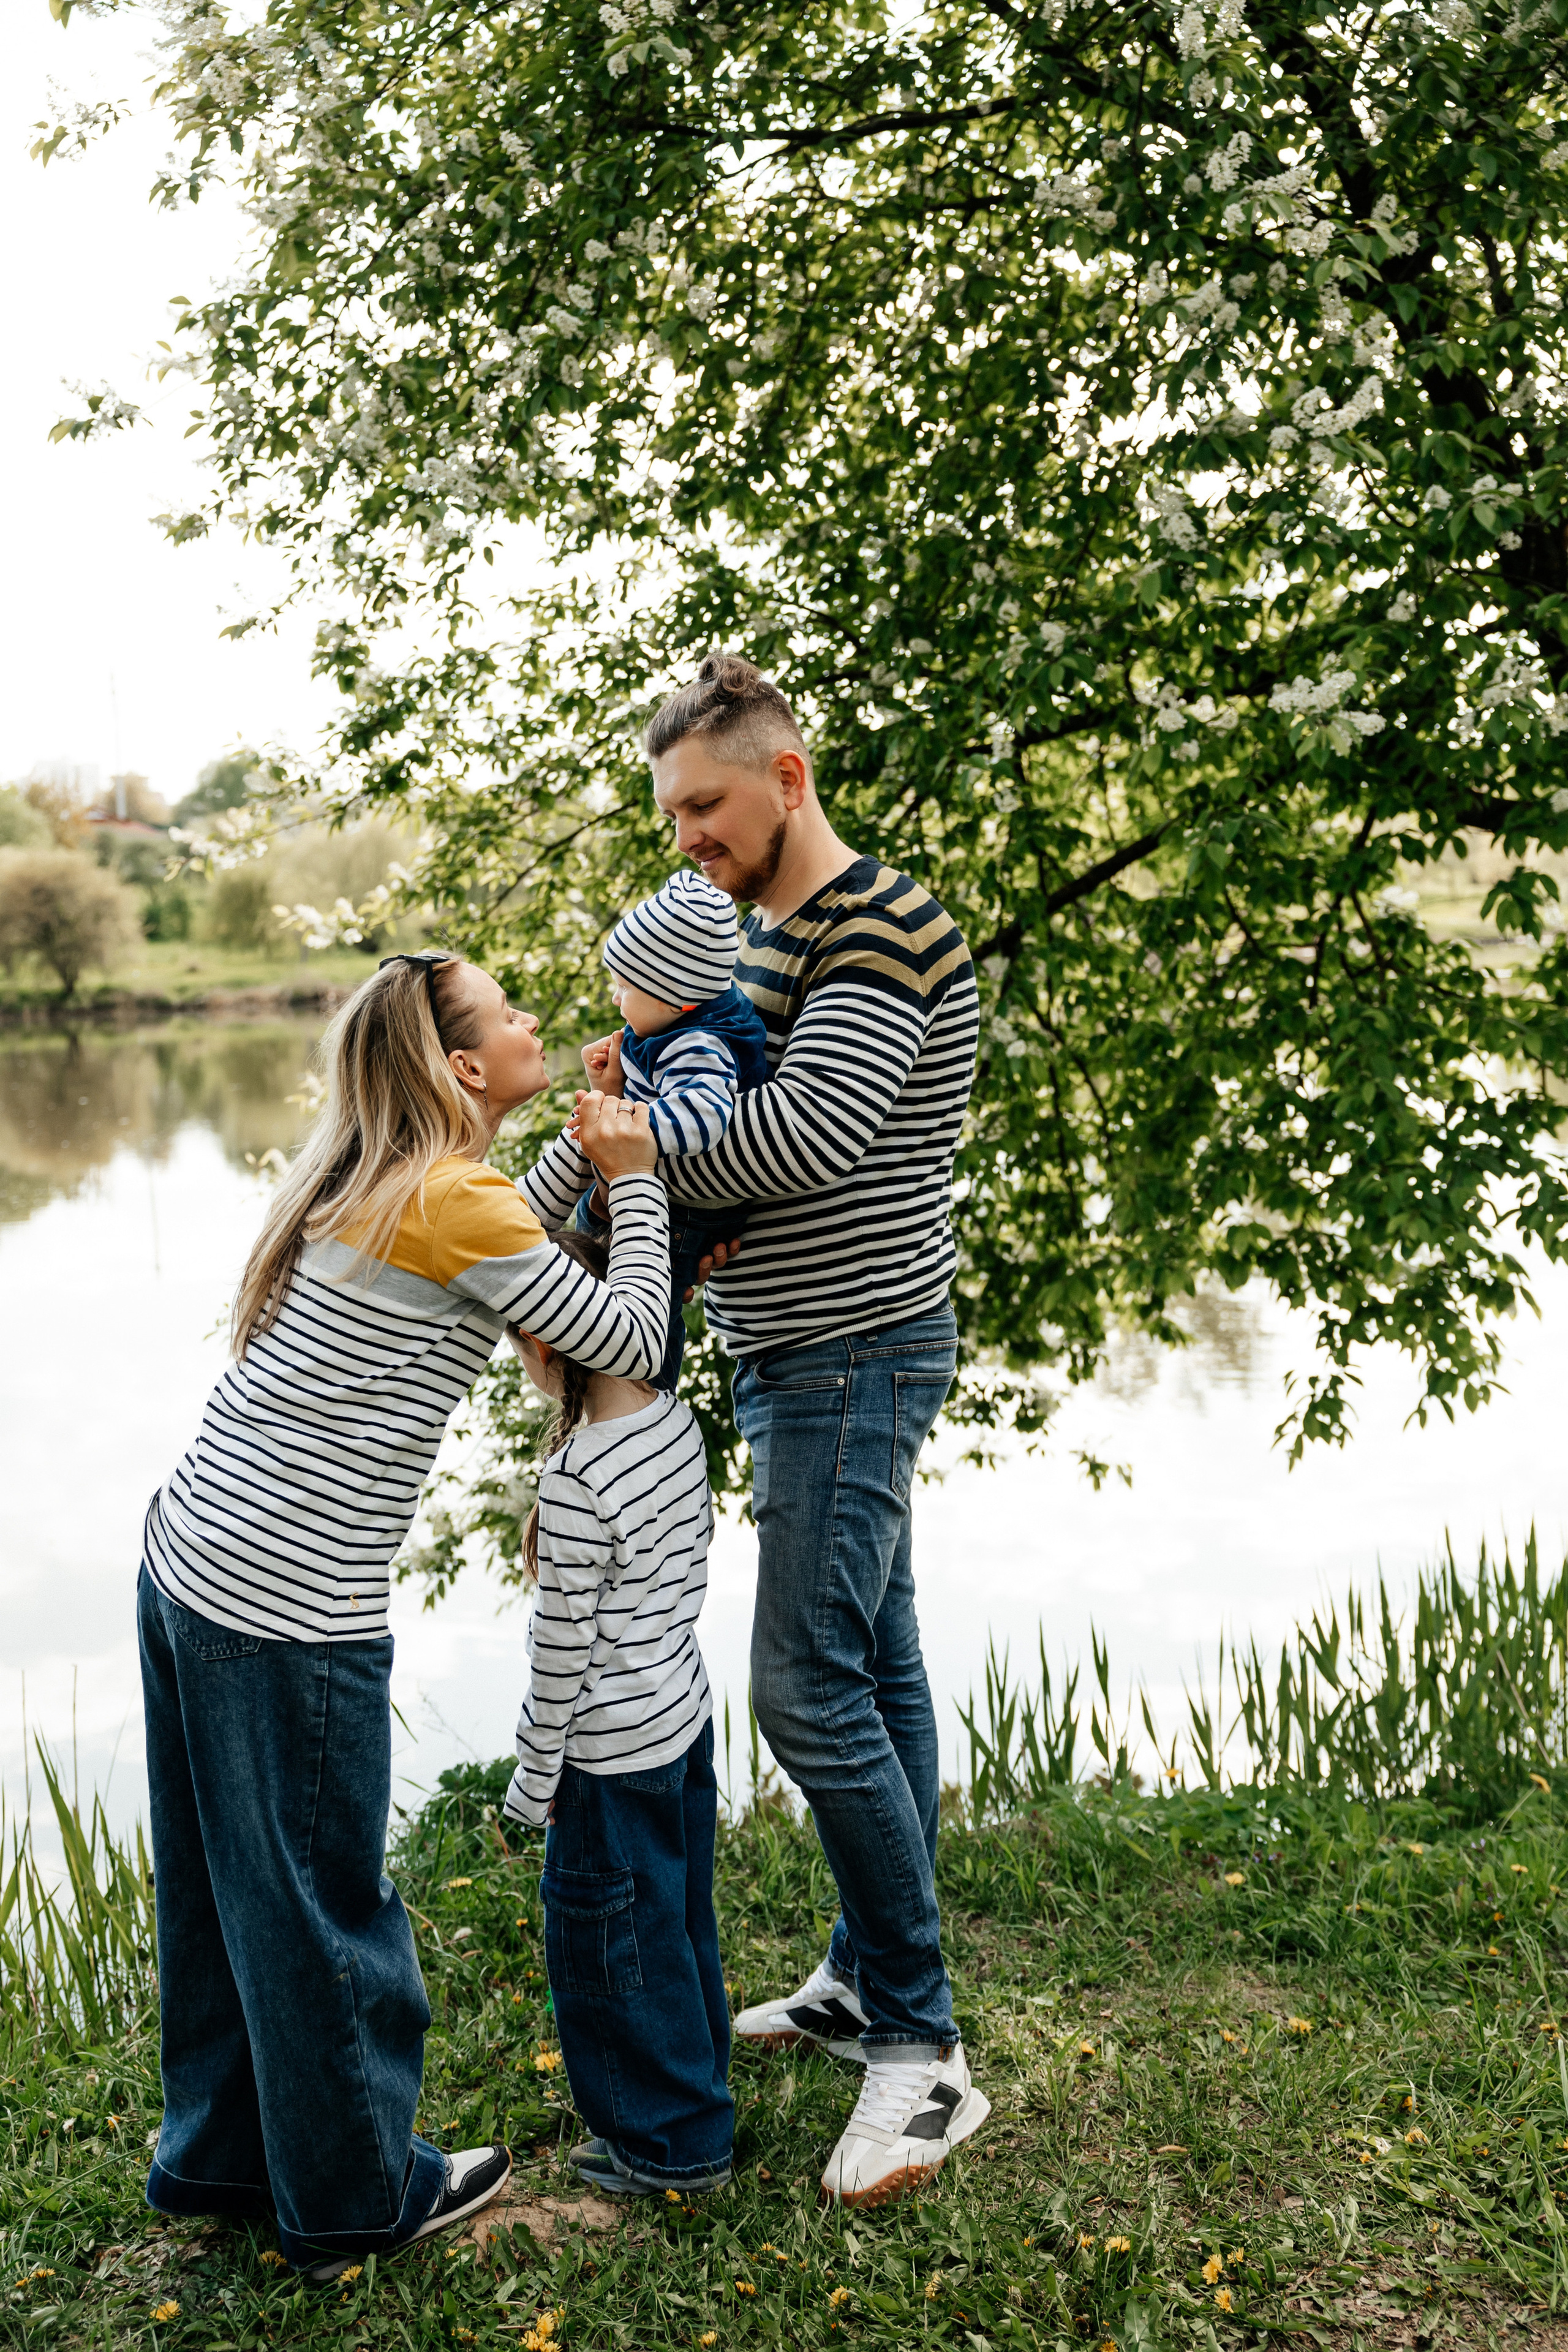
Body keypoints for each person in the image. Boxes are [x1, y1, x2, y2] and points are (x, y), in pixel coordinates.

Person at [137, 950, 667, 2280]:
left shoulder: (387, 1177)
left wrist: (571, 1161)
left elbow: (497, 1232)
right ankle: (357, 2197)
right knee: (325, 1908)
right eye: (509, 1013)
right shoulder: (450, 1197)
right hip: (283, 1609)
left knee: (226, 1889)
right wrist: (637, 1181)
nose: (536, 1016)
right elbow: (627, 1339)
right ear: (461, 1068)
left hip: (192, 1558)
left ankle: (221, 2155)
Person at [639, 652, 987, 2206]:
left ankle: (921, 2050)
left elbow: (799, 1138)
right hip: (806, 1353)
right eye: (670, 814)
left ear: (786, 776)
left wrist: (630, 1143)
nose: (686, 838)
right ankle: (864, 1979)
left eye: (705, 804)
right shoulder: (780, 940)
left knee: (801, 1681)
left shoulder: (880, 932)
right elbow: (758, 1139)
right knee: (874, 1662)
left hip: (852, 1355)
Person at [500, 1232, 732, 2199]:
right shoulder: (677, 1426)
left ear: (551, 1343)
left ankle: (671, 2146)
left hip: (608, 1754)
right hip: (681, 1719)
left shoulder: (577, 1478)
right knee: (676, 1923)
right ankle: (694, 2104)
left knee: (612, 1951)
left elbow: (560, 1657)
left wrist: (531, 1777)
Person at [568, 867, 771, 1390]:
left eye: (624, 989)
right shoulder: (680, 1022)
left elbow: (702, 1116)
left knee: (650, 1312)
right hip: (670, 1201)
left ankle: (647, 1398)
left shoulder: (696, 1045)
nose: (616, 1001)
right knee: (609, 1277)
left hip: (685, 1214)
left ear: (676, 999)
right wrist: (610, 1084)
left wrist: (624, 1121)